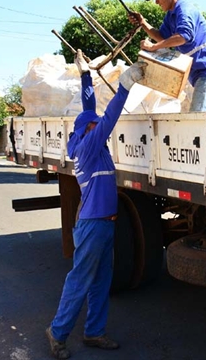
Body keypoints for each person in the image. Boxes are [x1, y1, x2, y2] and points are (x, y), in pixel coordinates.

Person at [45, 50, 146, 359]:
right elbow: (108, 117)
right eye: (95, 125)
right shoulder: (89, 146)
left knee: (100, 282)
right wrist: (125, 85)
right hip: (92, 227)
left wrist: (85, 75)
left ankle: (94, 333)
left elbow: (89, 108)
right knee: (80, 280)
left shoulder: (88, 140)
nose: (99, 125)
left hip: (104, 224)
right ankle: (58, 333)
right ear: (89, 129)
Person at [129, 0, 206, 112]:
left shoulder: (185, 9)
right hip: (198, 72)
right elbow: (162, 37)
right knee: (196, 116)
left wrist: (154, 47)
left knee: (198, 116)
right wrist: (143, 23)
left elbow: (183, 36)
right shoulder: (171, 15)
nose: (157, 2)